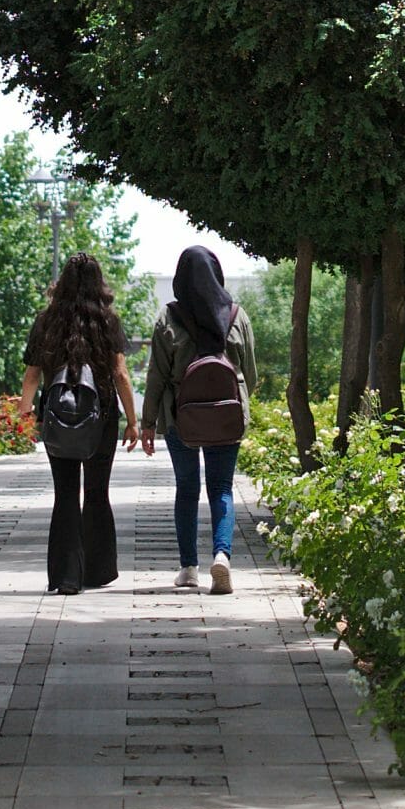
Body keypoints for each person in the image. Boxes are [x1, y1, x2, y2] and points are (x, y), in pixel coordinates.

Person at [138, 244, 255, 594]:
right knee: (221, 488)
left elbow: (156, 376)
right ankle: (222, 556)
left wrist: (147, 424)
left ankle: (188, 567)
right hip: (226, 415)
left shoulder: (167, 318)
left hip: (180, 417)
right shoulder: (237, 315)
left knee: (187, 489)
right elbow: (251, 371)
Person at [18, 253, 136, 595]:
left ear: (62, 284)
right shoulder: (107, 321)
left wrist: (25, 413)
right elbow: (120, 374)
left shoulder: (47, 321)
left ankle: (67, 576)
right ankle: (97, 572)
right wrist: (132, 420)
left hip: (58, 416)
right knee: (97, 492)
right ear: (99, 282)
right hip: (100, 416)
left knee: (65, 493)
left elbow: (32, 375)